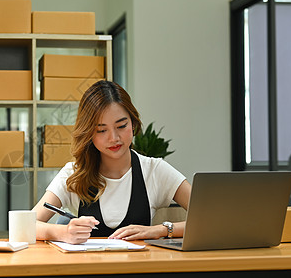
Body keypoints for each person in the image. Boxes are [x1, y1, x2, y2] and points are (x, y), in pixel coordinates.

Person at [33, 80, 191, 244]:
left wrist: (159, 230)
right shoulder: (74, 174)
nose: (114, 138)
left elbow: (213, 218)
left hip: (139, 267)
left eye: (121, 126)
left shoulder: (154, 171)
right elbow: (26, 225)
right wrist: (63, 232)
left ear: (133, 122)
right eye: (101, 130)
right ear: (88, 133)